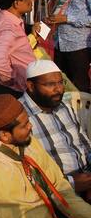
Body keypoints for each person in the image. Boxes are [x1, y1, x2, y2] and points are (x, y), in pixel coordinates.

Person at [20, 60, 91, 200]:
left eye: (60, 82)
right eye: (50, 84)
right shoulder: (20, 117)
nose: (58, 89)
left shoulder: (64, 106)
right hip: (55, 193)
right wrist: (70, 183)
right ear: (31, 86)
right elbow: (25, 170)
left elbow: (85, 145)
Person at [46, 0, 91, 92]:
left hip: (78, 46)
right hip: (60, 43)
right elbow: (60, 9)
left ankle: (83, 113)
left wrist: (67, 18)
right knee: (62, 82)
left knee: (79, 85)